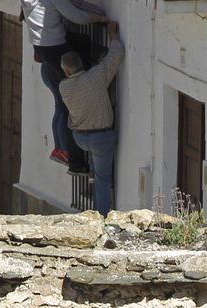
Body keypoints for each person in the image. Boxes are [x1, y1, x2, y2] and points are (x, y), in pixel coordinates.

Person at [22, 0, 105, 170]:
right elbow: (77, 16)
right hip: (56, 49)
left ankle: (60, 149)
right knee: (70, 105)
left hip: (43, 51)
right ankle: (74, 160)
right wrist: (99, 18)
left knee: (60, 104)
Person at [59, 21, 124, 215]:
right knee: (104, 181)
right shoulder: (96, 76)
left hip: (80, 138)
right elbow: (116, 55)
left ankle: (91, 173)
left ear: (66, 71)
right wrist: (112, 34)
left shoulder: (64, 87)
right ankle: (101, 217)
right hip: (101, 138)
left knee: (97, 172)